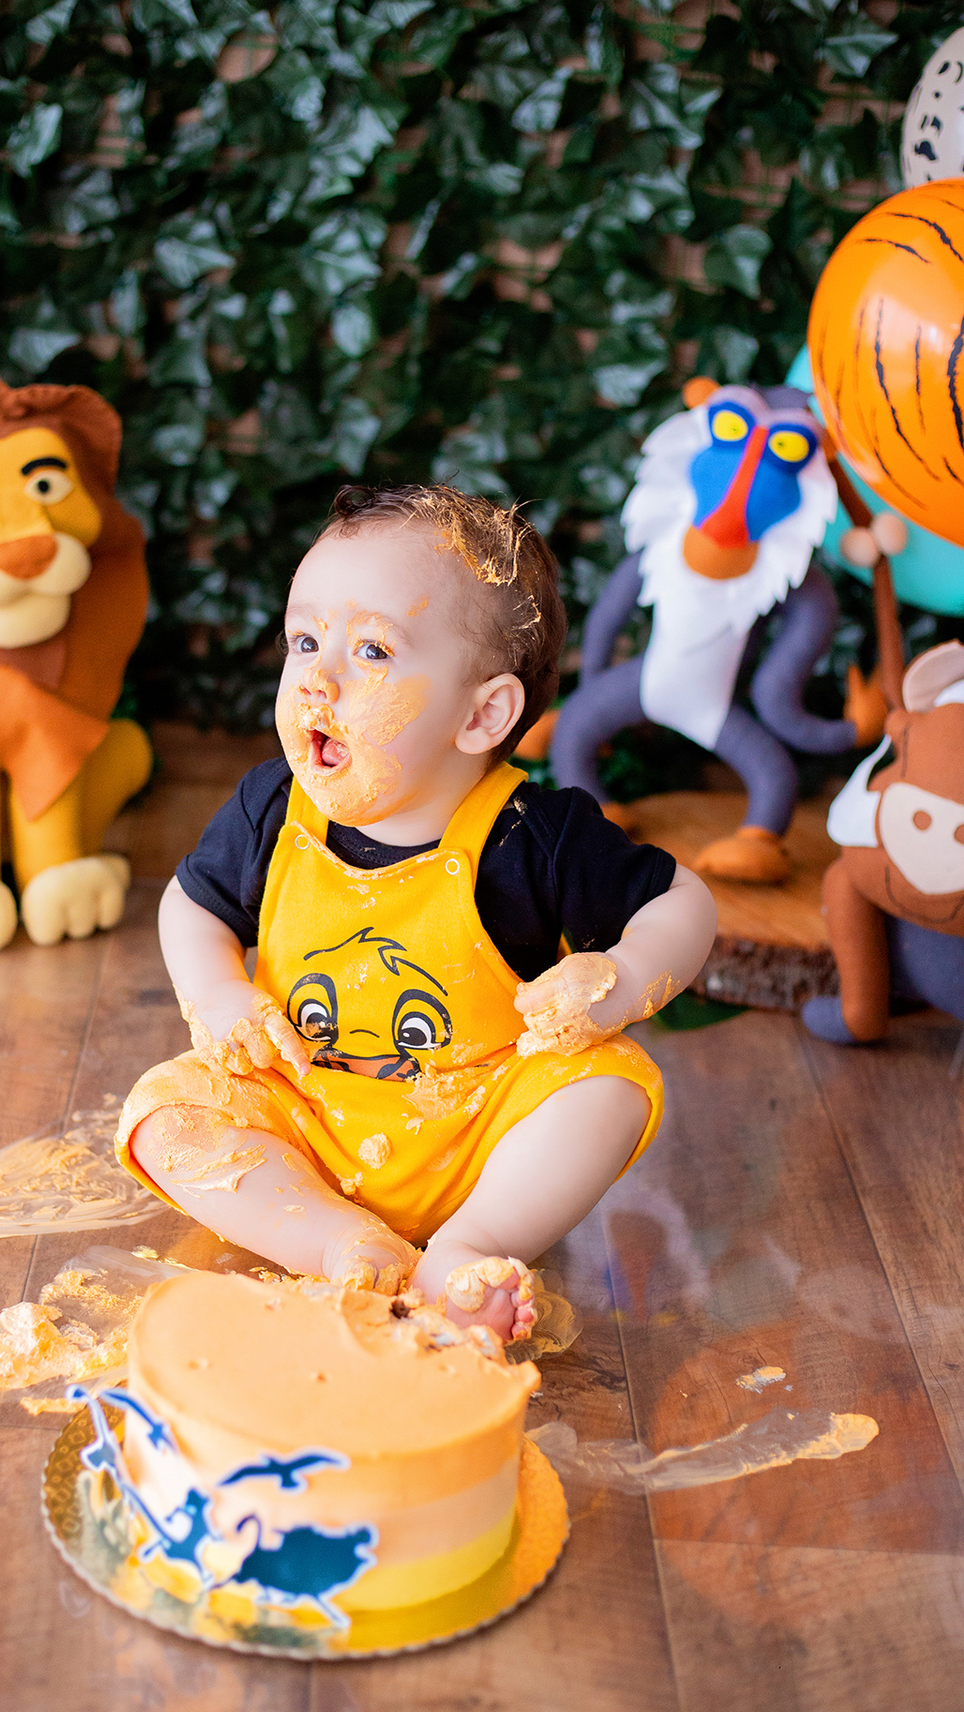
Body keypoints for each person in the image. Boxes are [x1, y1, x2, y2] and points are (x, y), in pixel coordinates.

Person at [116, 484, 717, 1341]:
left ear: (482, 714)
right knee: (164, 1115)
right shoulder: (270, 808)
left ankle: (473, 1246)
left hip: (479, 1128)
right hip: (307, 1111)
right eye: (304, 639)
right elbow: (191, 906)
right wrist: (216, 994)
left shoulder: (533, 836)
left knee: (612, 1088)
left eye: (369, 650)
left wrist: (621, 978)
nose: (317, 676)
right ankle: (335, 1242)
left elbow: (682, 901)